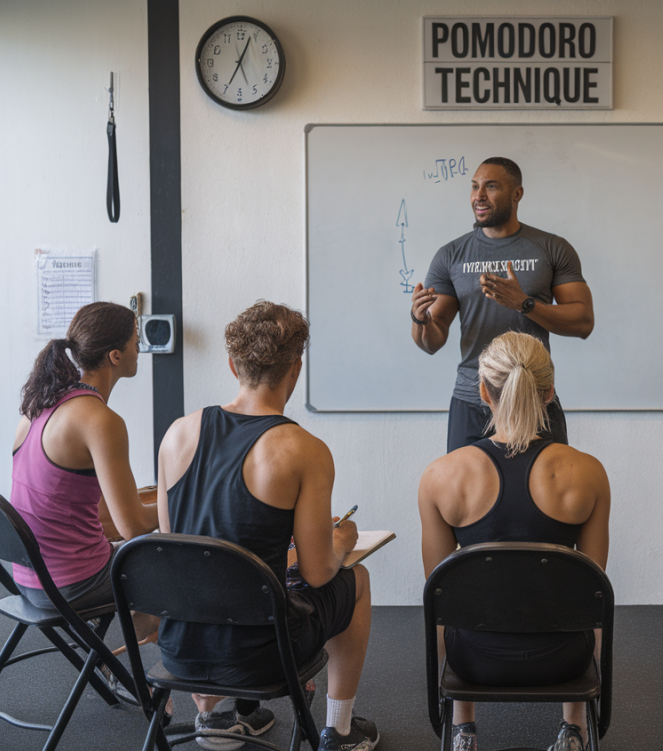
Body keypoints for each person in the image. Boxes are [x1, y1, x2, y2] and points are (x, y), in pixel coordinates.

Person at [156, 301, 378, 751]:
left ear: (233, 363)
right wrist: (340, 539)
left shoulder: (177, 433)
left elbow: (173, 549)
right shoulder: (303, 449)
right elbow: (318, 573)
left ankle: (215, 717)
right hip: (262, 656)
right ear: (295, 370)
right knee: (357, 579)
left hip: (179, 649)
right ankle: (340, 730)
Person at [418, 332, 610, 751]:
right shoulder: (588, 473)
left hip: (471, 661)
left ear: (483, 391)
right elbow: (594, 590)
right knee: (588, 599)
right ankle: (574, 729)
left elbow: (438, 593)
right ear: (550, 393)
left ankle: (463, 729)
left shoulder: (442, 476)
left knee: (444, 603)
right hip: (566, 661)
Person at [10, 301, 161, 701]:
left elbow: (77, 503)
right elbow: (132, 527)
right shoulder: (100, 420)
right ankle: (182, 692)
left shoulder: (37, 405)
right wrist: (180, 503)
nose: (138, 350)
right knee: (180, 567)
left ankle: (122, 661)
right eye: (135, 342)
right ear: (116, 356)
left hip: (27, 577)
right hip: (69, 584)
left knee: (150, 562)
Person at [410, 156, 594, 453]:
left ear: (516, 194)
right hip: (473, 398)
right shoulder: (451, 255)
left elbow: (583, 322)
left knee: (546, 493)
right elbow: (431, 341)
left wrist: (524, 304)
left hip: (534, 396)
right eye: (474, 187)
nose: (478, 196)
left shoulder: (551, 248)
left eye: (491, 186)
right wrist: (421, 320)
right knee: (466, 496)